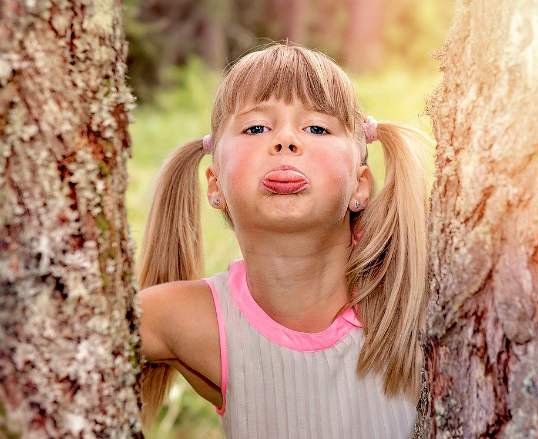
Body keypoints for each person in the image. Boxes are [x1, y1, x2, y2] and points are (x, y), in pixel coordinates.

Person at [134, 41, 431, 438]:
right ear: (215, 184)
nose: (286, 142)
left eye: (317, 128)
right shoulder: (191, 320)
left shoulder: (412, 296)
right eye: (256, 127)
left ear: (361, 185)